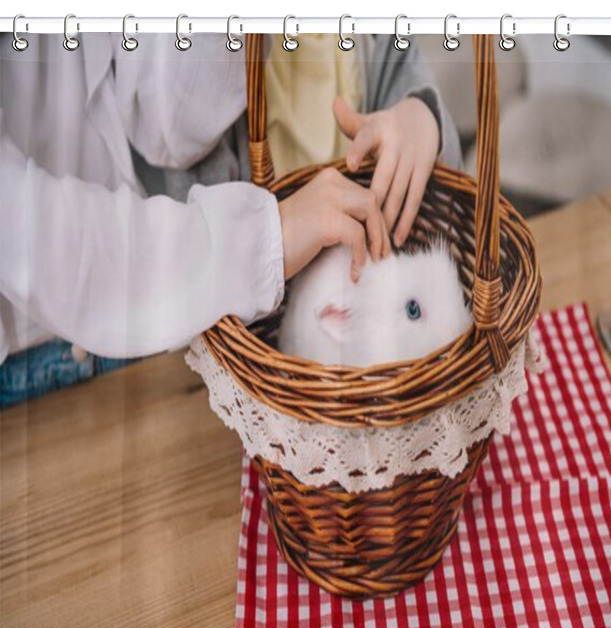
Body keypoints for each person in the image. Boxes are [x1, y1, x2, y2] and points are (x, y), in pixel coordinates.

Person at [0, 33, 460, 407]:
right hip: (118, 344)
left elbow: (399, 70)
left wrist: (421, 114)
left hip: (156, 330)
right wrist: (267, 238)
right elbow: (171, 121)